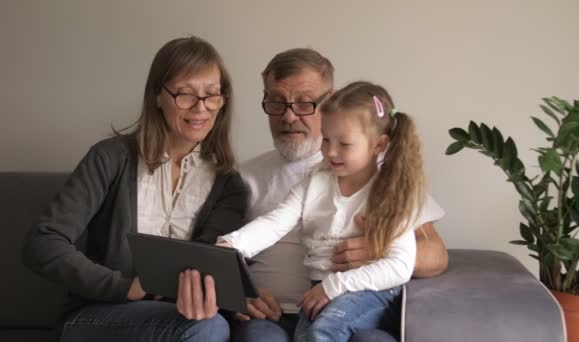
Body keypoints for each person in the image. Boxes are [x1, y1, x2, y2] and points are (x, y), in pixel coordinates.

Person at [22, 36, 248, 342]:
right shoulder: (110, 157)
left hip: (180, 321)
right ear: (158, 95)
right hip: (97, 315)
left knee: (211, 325)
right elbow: (43, 244)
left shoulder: (229, 185)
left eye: (212, 95)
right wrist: (124, 286)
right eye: (185, 94)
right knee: (208, 329)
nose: (200, 108)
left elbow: (206, 264)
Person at [219, 80, 444, 342]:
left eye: (344, 144)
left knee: (324, 332)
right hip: (321, 290)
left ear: (379, 145)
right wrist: (231, 245)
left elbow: (399, 267)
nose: (330, 152)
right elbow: (275, 223)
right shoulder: (315, 180)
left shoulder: (392, 191)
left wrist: (333, 286)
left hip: (370, 289)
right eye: (326, 140)